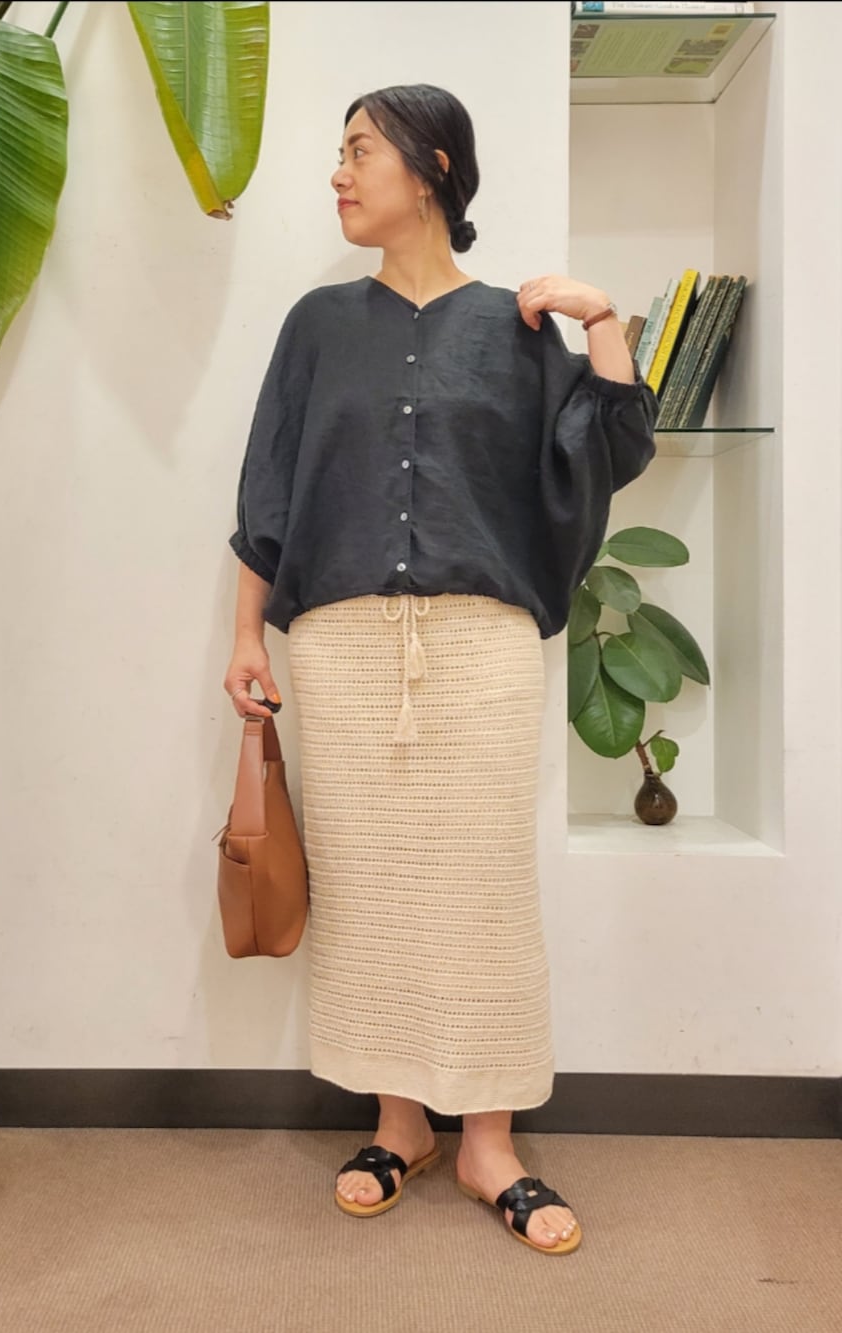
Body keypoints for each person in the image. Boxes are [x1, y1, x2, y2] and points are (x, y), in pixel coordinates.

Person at [223, 84, 656, 1256]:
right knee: (368, 894)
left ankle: (489, 1144)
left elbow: (613, 446)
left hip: (479, 649)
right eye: (339, 152)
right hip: (343, 650)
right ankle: (399, 1123)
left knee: (481, 894)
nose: (338, 172)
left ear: (431, 168)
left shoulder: (514, 329)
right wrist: (247, 635)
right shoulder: (317, 326)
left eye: (359, 150)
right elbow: (268, 492)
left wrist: (596, 315)